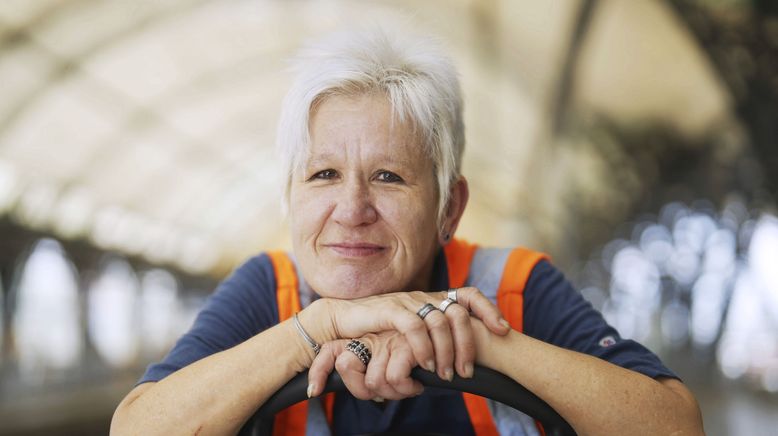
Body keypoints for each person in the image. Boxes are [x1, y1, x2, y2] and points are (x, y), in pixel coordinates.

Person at [111, 25, 704, 436]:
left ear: (449, 208)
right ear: (290, 197)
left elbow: (675, 427)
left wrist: (473, 336)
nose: (351, 209)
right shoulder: (268, 291)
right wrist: (315, 330)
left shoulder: (515, 287)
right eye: (322, 174)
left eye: (389, 177)